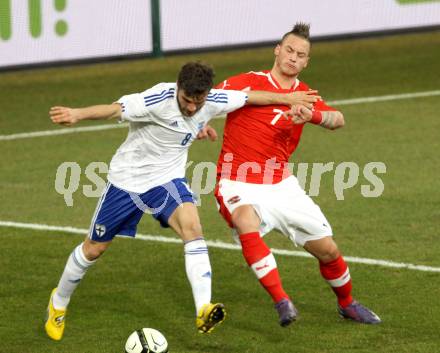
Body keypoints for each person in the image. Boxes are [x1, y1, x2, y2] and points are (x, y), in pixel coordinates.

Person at [44, 61, 319, 341]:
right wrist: (77, 114)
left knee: (193, 228)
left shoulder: (213, 100)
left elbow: (251, 96)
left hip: (167, 181)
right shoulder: (156, 99)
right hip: (127, 182)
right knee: (94, 248)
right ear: (178, 88)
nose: (191, 107)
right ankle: (59, 302)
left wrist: (289, 98)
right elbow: (115, 109)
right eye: (187, 100)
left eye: (197, 102)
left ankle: (203, 309)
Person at [209, 23, 381, 326]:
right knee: (245, 218)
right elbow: (207, 100)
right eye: (289, 50)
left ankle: (347, 304)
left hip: (282, 186)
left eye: (301, 55)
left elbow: (337, 119)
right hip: (237, 180)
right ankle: (281, 301)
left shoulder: (306, 94)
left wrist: (311, 115)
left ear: (306, 62)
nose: (293, 57)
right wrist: (199, 124)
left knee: (328, 250)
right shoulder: (247, 81)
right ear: (277, 49)